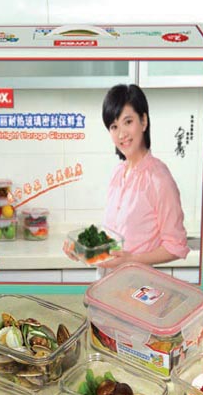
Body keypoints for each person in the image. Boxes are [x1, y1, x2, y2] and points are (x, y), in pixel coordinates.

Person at [64, 84, 189, 269]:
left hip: (138, 283)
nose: (121, 134)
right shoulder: (118, 173)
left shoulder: (159, 179)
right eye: (114, 126)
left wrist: (131, 259)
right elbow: (112, 239)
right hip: (108, 281)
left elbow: (176, 246)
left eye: (128, 122)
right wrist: (81, 249)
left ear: (143, 121)